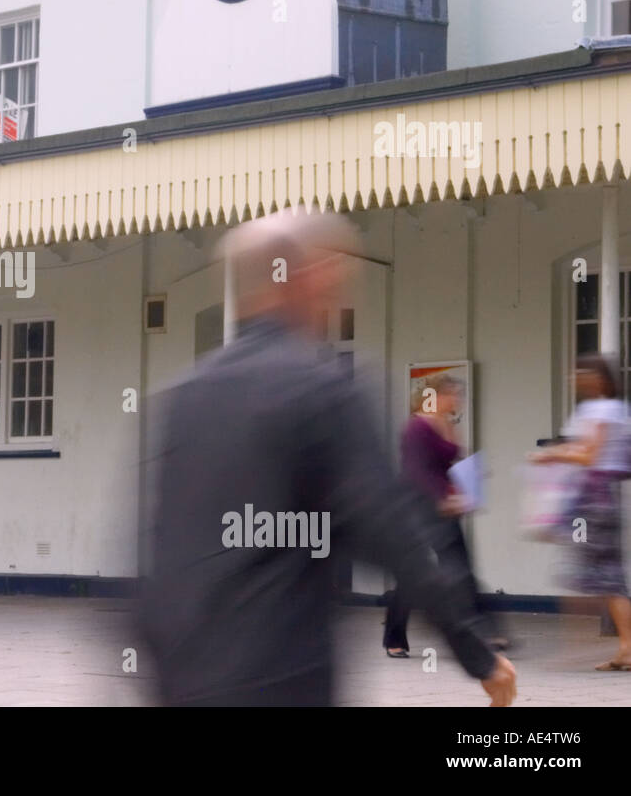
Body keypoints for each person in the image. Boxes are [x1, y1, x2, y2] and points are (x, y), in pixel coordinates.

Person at [138, 210, 516, 706]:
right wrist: (478, 655)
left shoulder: (184, 397)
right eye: (331, 276)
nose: (336, 293)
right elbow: (392, 537)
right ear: (299, 280)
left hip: (189, 681)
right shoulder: (321, 390)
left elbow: (154, 551)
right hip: (282, 676)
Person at [383, 375, 506, 657]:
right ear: (434, 396)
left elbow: (445, 464)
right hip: (418, 506)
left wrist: (470, 479)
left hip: (445, 506)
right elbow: (417, 471)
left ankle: (487, 632)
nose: (457, 399)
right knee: (413, 573)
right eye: (452, 394)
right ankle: (394, 637)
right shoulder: (417, 427)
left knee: (462, 570)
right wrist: (441, 499)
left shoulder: (447, 423)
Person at [531, 354, 631, 670]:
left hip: (592, 498)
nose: (576, 377)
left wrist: (551, 454)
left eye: (582, 372)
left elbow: (589, 455)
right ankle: (625, 649)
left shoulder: (598, 409)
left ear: (598, 378)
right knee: (608, 578)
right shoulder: (619, 410)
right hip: (608, 496)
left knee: (587, 575)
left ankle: (580, 648)